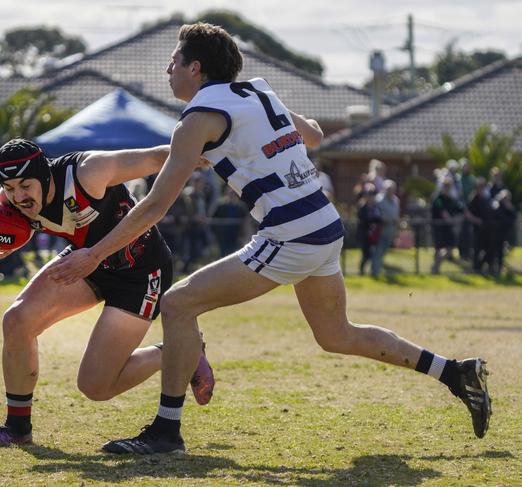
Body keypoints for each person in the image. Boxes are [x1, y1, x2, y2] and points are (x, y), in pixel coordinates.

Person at [47, 23, 491, 454]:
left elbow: (156, 205)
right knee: (336, 334)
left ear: (195, 67)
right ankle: (454, 372)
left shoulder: (196, 120)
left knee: (178, 304)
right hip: (324, 224)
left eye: (173, 61)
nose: (168, 70)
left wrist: (95, 254)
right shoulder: (258, 89)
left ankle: (166, 431)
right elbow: (314, 135)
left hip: (293, 234)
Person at [0, 139, 215, 446]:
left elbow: (152, 157)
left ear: (45, 176)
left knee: (96, 387)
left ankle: (182, 352)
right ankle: (17, 429)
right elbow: (18, 231)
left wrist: (201, 152)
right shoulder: (10, 200)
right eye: (10, 187)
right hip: (86, 261)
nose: (18, 195)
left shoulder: (87, 172)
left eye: (25, 185)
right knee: (17, 320)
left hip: (140, 272)